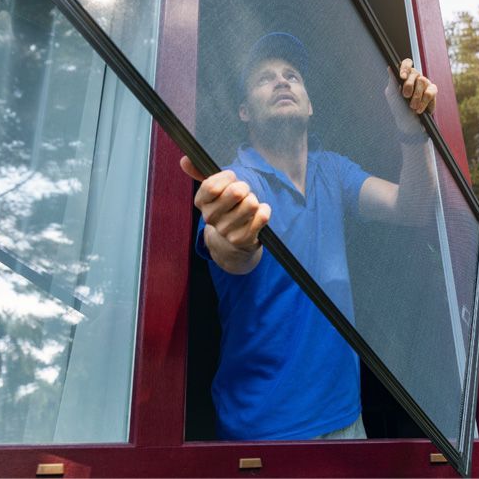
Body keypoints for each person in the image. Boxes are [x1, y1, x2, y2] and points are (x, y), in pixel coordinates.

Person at [179, 31, 437, 441]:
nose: (282, 81)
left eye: (292, 75)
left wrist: (412, 131)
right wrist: (234, 239)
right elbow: (231, 249)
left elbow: (414, 207)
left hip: (347, 419)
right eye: (265, 78)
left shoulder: (332, 171)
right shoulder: (238, 181)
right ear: (245, 112)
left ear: (311, 104)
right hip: (264, 433)